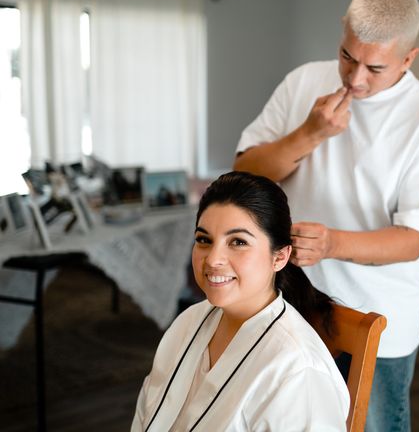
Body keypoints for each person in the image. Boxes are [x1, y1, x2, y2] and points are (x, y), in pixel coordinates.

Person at [234, 0, 419, 431]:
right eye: (347, 57)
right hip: (287, 303)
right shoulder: (302, 81)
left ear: (409, 58)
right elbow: (245, 171)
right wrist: (310, 133)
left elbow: (413, 239)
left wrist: (333, 243)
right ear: (342, 31)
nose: (355, 79)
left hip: (377, 317)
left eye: (375, 68)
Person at [131, 171, 349, 431]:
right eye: (204, 240)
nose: (213, 259)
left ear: (279, 257)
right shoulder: (190, 321)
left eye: (238, 242)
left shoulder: (297, 371)